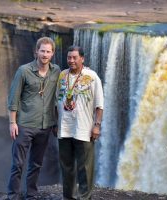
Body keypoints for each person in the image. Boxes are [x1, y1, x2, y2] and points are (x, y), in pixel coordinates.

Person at [6, 36, 61, 200]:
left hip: (45, 126)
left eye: (48, 51)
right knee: (18, 164)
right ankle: (13, 195)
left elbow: (59, 98)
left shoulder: (56, 71)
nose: (45, 54)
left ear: (52, 54)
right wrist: (12, 122)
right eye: (42, 51)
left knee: (36, 164)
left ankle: (31, 194)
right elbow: (13, 98)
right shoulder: (24, 71)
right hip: (24, 124)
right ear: (36, 51)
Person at [56, 45, 104, 200]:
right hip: (64, 129)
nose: (71, 60)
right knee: (66, 167)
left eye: (74, 57)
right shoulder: (62, 75)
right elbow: (57, 99)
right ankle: (67, 197)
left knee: (85, 168)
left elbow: (99, 104)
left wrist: (97, 125)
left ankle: (84, 197)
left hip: (84, 129)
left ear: (82, 59)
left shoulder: (92, 76)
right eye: (69, 57)